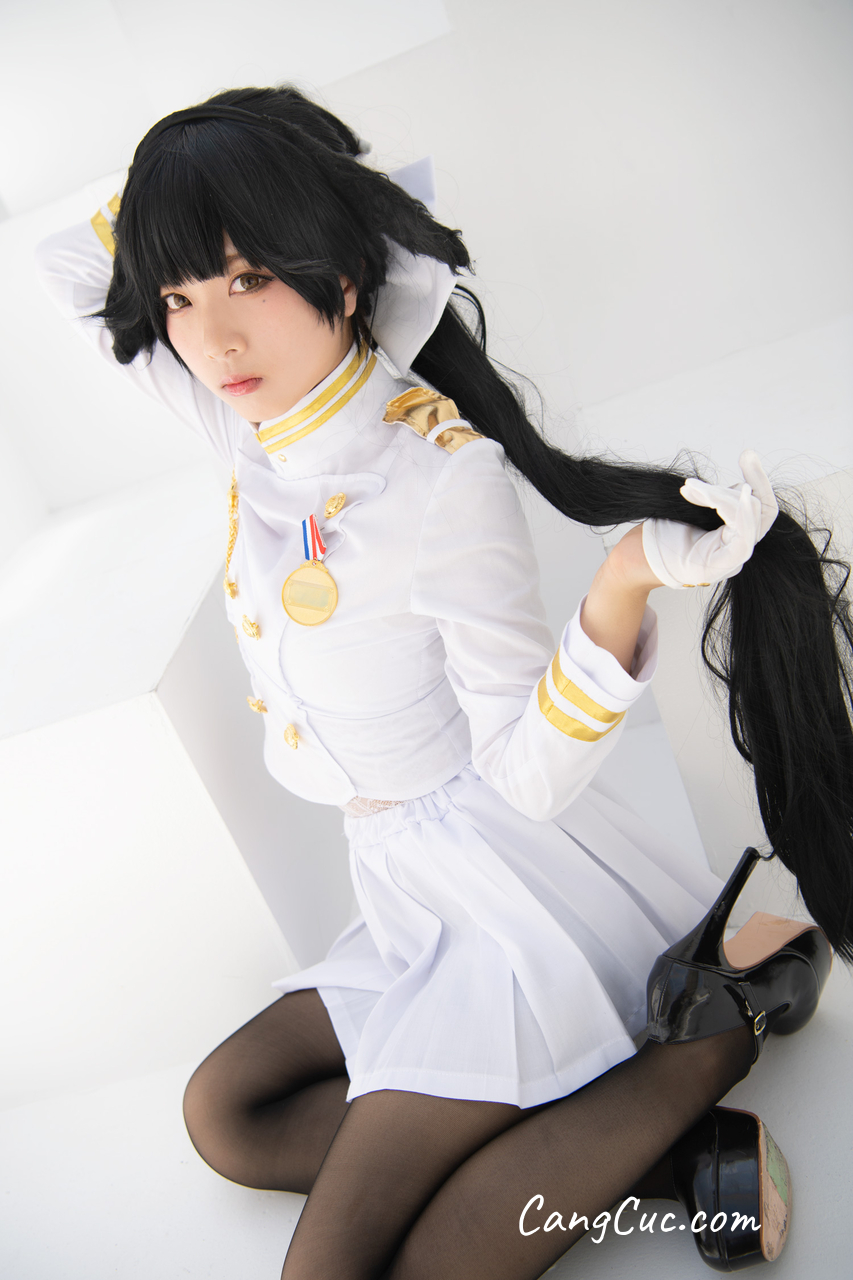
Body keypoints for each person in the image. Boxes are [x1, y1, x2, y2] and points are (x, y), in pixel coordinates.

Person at [36, 86, 851, 1280]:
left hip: (505, 889)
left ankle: (709, 1035)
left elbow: (526, 776)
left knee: (400, 1264)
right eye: (179, 296)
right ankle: (679, 1135)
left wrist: (620, 583)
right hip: (404, 887)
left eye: (249, 278)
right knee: (227, 1114)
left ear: (341, 271)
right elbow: (72, 267)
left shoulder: (436, 479)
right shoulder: (245, 424)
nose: (211, 341)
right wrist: (233, 166)